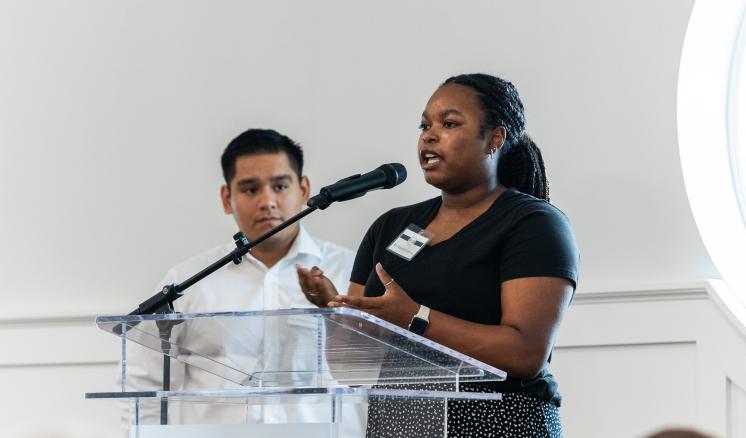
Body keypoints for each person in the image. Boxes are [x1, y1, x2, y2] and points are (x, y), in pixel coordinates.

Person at [297, 73, 579, 437]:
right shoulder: (392, 226)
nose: (429, 136)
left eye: (449, 124)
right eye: (424, 125)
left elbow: (525, 353)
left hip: (499, 424)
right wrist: (332, 310)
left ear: (494, 139)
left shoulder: (534, 224)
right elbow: (353, 366)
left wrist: (416, 317)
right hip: (400, 424)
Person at [122, 128, 356, 427]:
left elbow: (375, 377)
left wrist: (338, 314)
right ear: (226, 198)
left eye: (280, 186)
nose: (267, 201)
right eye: (249, 189)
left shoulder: (349, 272)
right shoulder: (186, 283)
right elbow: (144, 387)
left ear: (304, 189)